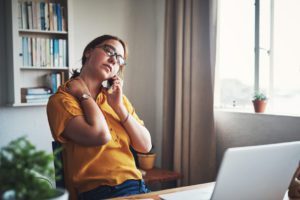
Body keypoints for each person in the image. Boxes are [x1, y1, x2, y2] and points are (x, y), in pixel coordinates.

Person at [47, 35, 152, 200]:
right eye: (109, 51)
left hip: (138, 186)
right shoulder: (62, 100)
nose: (113, 60)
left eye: (119, 60)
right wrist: (83, 95)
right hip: (100, 191)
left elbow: (145, 146)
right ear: (89, 52)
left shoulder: (117, 99)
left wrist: (119, 108)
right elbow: (100, 135)